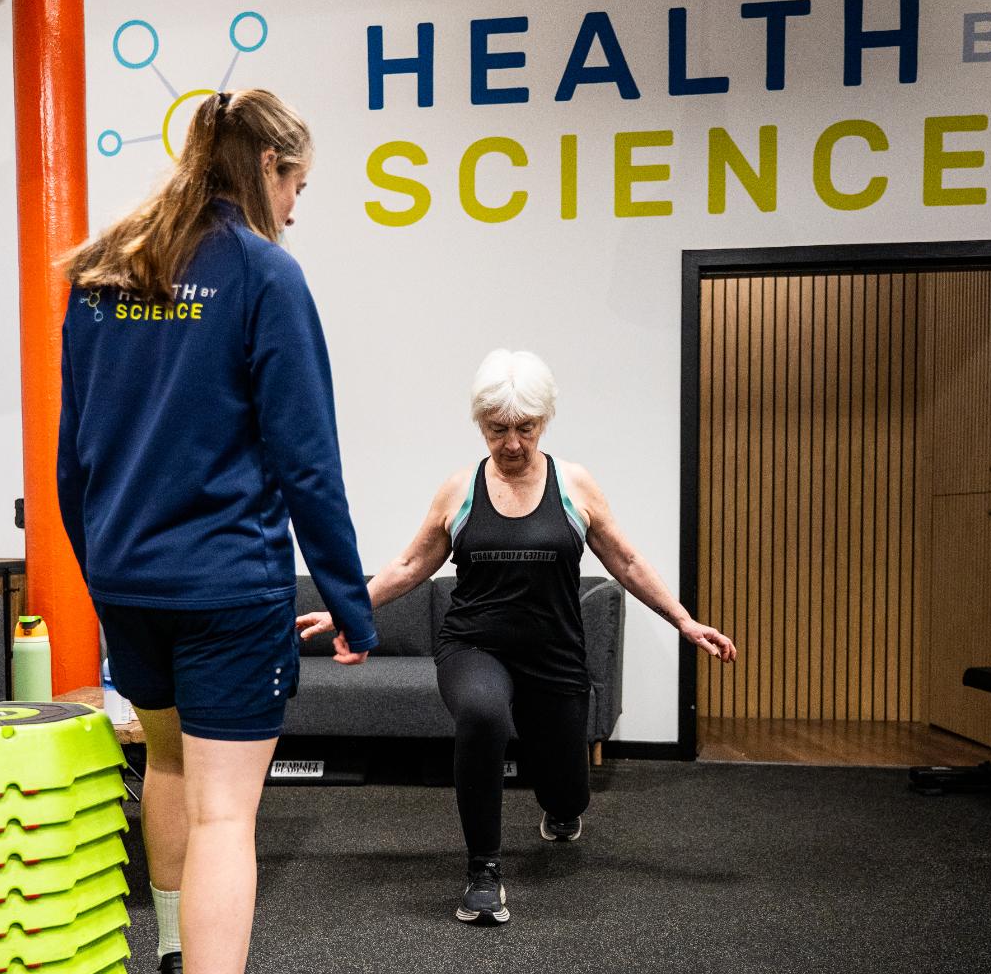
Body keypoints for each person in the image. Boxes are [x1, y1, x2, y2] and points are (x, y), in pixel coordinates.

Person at [57, 88, 376, 974]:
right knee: (227, 811)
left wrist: (101, 562)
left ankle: (181, 970)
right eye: (297, 184)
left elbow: (74, 455)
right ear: (268, 168)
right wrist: (348, 600)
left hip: (127, 580)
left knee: (167, 766)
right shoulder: (263, 275)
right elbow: (306, 458)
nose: (297, 206)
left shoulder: (107, 266)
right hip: (226, 586)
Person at [298, 348, 734, 925]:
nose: (511, 443)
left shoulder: (574, 485)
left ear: (544, 422)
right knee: (481, 716)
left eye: (524, 429)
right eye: (497, 429)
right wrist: (343, 609)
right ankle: (483, 872)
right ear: (480, 424)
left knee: (566, 788)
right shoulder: (460, 490)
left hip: (554, 655)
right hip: (473, 646)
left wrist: (683, 619)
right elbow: (407, 566)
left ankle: (561, 807)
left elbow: (626, 560)